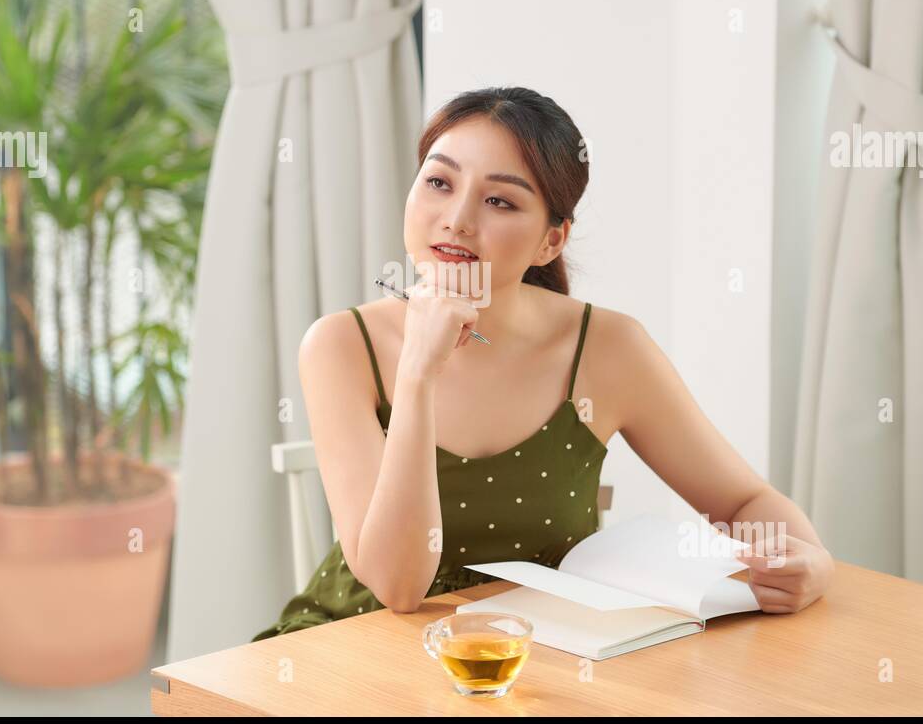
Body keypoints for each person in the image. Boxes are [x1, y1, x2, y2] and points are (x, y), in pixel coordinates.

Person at [252, 86, 833, 641]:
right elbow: (399, 588)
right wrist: (417, 373)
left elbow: (743, 503)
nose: (457, 218)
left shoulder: (609, 349)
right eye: (438, 181)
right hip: (352, 648)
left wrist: (810, 563)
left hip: (537, 660)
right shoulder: (339, 345)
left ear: (550, 242)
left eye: (499, 200)